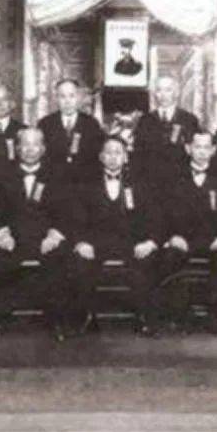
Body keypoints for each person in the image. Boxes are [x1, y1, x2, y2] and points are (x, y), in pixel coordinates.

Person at [0, 128, 79, 340]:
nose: (30, 149)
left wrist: (54, 235)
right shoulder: (2, 175)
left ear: (43, 149)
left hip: (46, 239)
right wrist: (2, 234)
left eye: (35, 144)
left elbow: (67, 212)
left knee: (63, 259)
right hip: (13, 239)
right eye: (25, 144)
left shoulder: (58, 175)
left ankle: (58, 322)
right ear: (17, 148)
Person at [74, 136, 167, 336]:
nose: (113, 157)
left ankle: (144, 317)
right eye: (108, 152)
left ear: (126, 157)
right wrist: (81, 242)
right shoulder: (87, 184)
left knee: (149, 260)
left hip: (131, 243)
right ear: (101, 156)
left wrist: (150, 242)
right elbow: (77, 217)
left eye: (118, 152)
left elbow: (155, 217)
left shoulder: (141, 184)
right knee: (80, 261)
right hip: (97, 243)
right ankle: (87, 317)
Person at [158, 130, 217, 332]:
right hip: (183, 238)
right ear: (188, 148)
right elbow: (162, 213)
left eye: (206, 147)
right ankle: (178, 315)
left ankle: (214, 313)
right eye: (197, 146)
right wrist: (172, 236)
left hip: (213, 239)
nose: (202, 152)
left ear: (213, 150)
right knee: (170, 256)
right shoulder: (174, 178)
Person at [132, 76, 200, 187]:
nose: (163, 95)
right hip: (151, 184)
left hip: (181, 184)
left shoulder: (189, 120)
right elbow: (138, 156)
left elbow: (194, 154)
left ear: (176, 93)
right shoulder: (145, 121)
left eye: (168, 90)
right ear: (154, 94)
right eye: (159, 90)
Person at [38, 79, 105, 184]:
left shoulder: (91, 124)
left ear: (78, 97)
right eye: (62, 96)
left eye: (72, 96)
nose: (67, 101)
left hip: (84, 184)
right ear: (56, 99)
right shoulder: (45, 124)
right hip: (54, 184)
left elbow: (96, 158)